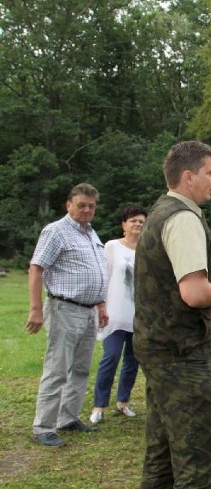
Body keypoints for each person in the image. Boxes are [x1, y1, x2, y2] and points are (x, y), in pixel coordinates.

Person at [133, 140, 211, 489]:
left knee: (163, 453)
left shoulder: (161, 211)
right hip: (181, 354)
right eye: (210, 172)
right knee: (198, 462)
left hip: (160, 348)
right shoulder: (183, 218)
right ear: (188, 177)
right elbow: (195, 292)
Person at [27, 183, 109, 447]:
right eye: (81, 205)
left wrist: (100, 305)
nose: (87, 210)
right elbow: (37, 268)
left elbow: (95, 274)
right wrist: (36, 309)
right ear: (69, 205)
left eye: (91, 206)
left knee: (81, 368)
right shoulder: (56, 231)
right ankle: (44, 426)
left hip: (88, 311)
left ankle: (68, 418)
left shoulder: (91, 233)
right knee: (58, 368)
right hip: (64, 308)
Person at [90, 205, 147, 424]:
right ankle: (99, 405)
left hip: (139, 317)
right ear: (124, 224)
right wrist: (100, 305)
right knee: (111, 357)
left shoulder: (148, 249)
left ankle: (123, 401)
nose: (138, 224)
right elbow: (103, 276)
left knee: (133, 361)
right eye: (133, 220)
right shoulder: (112, 246)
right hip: (115, 313)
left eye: (142, 221)